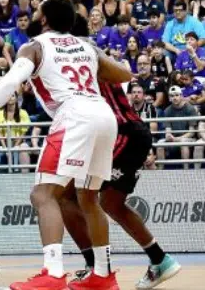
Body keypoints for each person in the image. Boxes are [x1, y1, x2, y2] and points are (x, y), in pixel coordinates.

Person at [0, 0, 133, 290]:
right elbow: (125, 73)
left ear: (43, 19)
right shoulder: (87, 46)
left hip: (73, 115)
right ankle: (103, 275)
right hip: (103, 115)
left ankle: (53, 273)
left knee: (43, 195)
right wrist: (90, 63)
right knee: (89, 199)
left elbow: (9, 82)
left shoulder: (35, 46)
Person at [59, 80, 182, 290]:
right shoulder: (89, 62)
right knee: (110, 204)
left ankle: (95, 269)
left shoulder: (83, 63)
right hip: (129, 132)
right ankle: (159, 259)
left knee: (68, 195)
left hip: (120, 133)